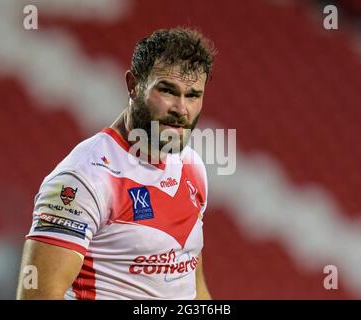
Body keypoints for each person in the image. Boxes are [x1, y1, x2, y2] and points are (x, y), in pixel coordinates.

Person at [16, 27, 216, 300]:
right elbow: (37, 296)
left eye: (192, 95)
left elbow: (193, 285)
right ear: (134, 86)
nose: (181, 109)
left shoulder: (192, 166)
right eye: (167, 91)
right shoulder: (83, 178)